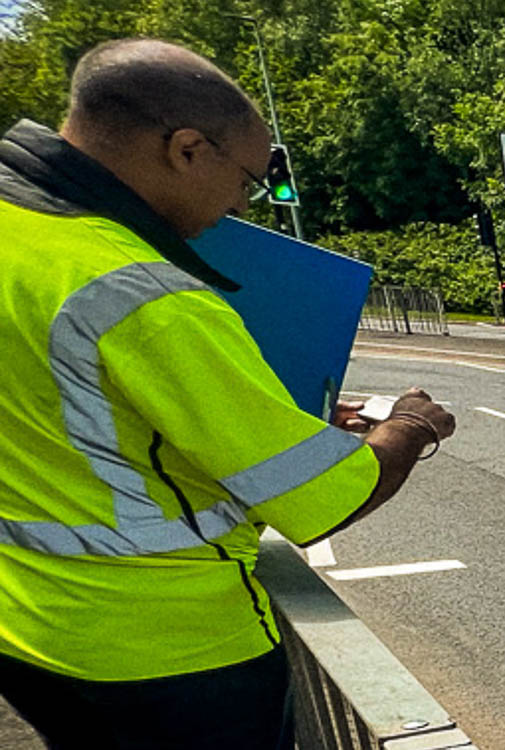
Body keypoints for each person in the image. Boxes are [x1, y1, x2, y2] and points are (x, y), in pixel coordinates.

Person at [0, 38, 456, 748]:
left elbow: (75, 418)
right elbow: (324, 494)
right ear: (187, 149)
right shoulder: (138, 292)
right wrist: (409, 426)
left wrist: (264, 418)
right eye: (249, 178)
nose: (246, 202)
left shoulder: (18, 233)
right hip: (170, 656)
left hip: (29, 632)